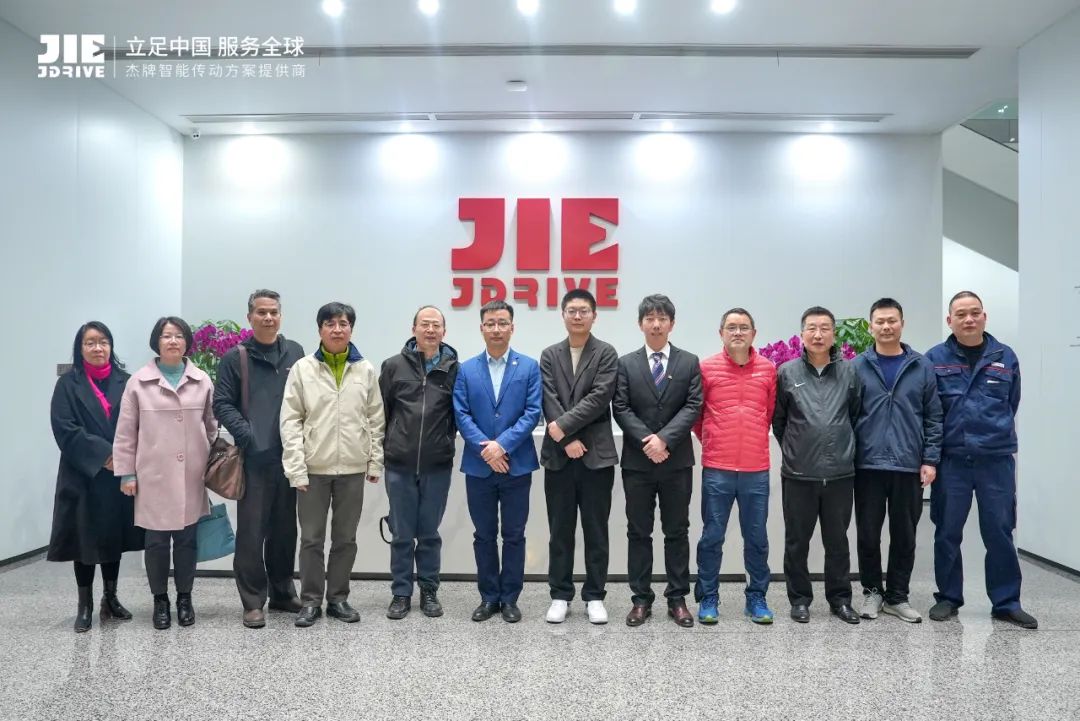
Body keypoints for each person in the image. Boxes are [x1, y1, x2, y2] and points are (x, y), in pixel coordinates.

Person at [925, 291, 1037, 629]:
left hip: (995, 459)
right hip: (952, 460)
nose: (969, 319)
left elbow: (1012, 402)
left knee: (999, 531)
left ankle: (1006, 602)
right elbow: (930, 410)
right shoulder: (935, 358)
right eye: (961, 314)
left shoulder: (1005, 356)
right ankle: (948, 597)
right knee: (947, 531)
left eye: (975, 312)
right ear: (950, 321)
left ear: (984, 317)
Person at [280, 302, 385, 628]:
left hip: (352, 469)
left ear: (351, 329)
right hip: (313, 470)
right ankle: (311, 601)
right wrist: (296, 468)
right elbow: (290, 421)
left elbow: (375, 418)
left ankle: (338, 598)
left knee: (345, 539)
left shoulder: (365, 370)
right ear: (320, 330)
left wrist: (374, 463)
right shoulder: (303, 369)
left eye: (343, 323)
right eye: (330, 324)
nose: (337, 329)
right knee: (311, 539)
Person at [113, 316, 217, 630]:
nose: (173, 341)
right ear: (156, 341)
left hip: (191, 476)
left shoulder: (202, 380)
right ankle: (160, 600)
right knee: (156, 542)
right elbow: (125, 432)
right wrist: (127, 473)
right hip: (153, 476)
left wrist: (207, 457)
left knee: (187, 541)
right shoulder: (138, 383)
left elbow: (211, 425)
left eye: (179, 335)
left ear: (187, 342)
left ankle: (185, 598)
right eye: (166, 335)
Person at [213, 289, 306, 629]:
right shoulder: (234, 357)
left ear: (281, 316)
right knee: (252, 534)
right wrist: (247, 434)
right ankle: (253, 601)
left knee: (285, 532)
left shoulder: (295, 352)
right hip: (254, 460)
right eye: (261, 312)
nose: (268, 317)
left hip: (290, 458)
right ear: (249, 317)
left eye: (274, 312)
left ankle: (282, 592)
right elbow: (222, 403)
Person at [613, 294, 703, 628]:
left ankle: (677, 598)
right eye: (649, 318)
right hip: (638, 462)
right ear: (640, 324)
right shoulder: (626, 363)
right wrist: (648, 441)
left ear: (672, 324)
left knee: (677, 531)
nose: (656, 324)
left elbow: (693, 406)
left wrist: (664, 439)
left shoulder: (689, 362)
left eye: (662, 318)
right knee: (638, 531)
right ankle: (640, 599)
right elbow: (620, 407)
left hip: (676, 461)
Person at [48, 321, 144, 632]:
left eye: (103, 342)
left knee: (113, 537)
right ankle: (85, 604)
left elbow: (138, 423)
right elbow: (65, 428)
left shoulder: (126, 382)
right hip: (83, 473)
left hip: (118, 476)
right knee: (85, 541)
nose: (98, 348)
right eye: (90, 342)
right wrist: (105, 456)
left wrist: (122, 458)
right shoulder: (67, 385)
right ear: (80, 348)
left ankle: (110, 598)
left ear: (111, 346)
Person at [852, 298, 942, 623]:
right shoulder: (857, 366)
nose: (886, 326)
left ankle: (897, 596)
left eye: (892, 320)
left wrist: (930, 458)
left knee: (905, 534)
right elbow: (848, 415)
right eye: (880, 321)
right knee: (868, 533)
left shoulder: (921, 366)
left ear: (902, 323)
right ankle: (872, 592)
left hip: (908, 464)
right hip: (867, 465)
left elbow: (933, 416)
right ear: (870, 326)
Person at [453, 300, 542, 624]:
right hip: (479, 467)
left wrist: (501, 446)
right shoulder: (466, 369)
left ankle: (510, 599)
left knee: (515, 535)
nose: (496, 329)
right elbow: (461, 413)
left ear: (512, 328)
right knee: (484, 534)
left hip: (517, 465)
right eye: (490, 323)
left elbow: (533, 412)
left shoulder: (529, 367)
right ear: (482, 328)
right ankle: (489, 597)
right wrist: (487, 450)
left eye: (502, 323)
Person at [772, 306, 862, 624]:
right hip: (799, 474)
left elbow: (855, 415)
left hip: (839, 473)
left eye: (825, 328)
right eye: (812, 328)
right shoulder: (787, 373)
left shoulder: (850, 372)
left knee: (837, 541)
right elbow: (779, 421)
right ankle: (799, 600)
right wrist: (796, 450)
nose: (818, 334)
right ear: (802, 334)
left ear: (834, 334)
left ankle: (840, 600)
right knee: (797, 541)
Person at [539, 289, 619, 625]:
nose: (577, 316)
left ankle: (595, 595)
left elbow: (599, 398)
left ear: (594, 316)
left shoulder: (606, 353)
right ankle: (560, 594)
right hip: (559, 456)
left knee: (596, 529)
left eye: (583, 310)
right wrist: (567, 439)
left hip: (596, 456)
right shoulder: (549, 354)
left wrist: (564, 429)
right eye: (571, 310)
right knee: (560, 529)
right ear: (563, 314)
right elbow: (548, 397)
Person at [692, 307, 777, 625]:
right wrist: (715, 441)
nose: (738, 332)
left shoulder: (768, 369)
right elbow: (697, 416)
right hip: (718, 468)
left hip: (756, 470)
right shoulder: (706, 368)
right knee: (712, 536)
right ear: (721, 333)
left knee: (757, 538)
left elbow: (769, 412)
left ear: (754, 333)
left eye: (743, 327)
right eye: (731, 327)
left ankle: (756, 597)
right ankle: (708, 596)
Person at [379, 305, 459, 620]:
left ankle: (428, 590)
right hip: (399, 464)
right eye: (424, 324)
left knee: (429, 533)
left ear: (444, 332)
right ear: (413, 329)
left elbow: (458, 415)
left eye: (436, 325)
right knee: (401, 533)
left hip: (437, 465)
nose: (430, 330)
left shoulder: (455, 369)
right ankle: (401, 593)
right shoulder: (393, 366)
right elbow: (382, 414)